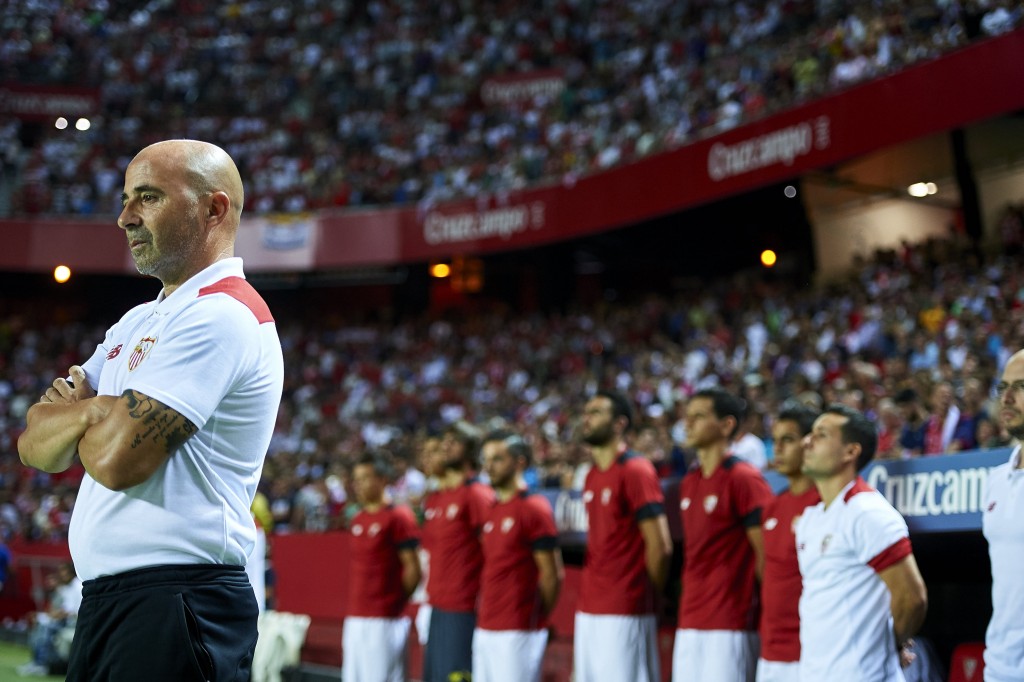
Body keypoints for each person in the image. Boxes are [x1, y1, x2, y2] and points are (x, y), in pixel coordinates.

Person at [18, 139, 284, 682]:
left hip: (178, 601)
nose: (124, 218)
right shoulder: (137, 321)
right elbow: (34, 445)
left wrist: (88, 412)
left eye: (148, 198)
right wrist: (102, 413)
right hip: (118, 602)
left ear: (214, 208)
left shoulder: (223, 315)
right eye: (125, 199)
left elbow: (118, 463)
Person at [796, 404, 928, 682]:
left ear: (850, 451)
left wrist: (886, 644)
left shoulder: (868, 511)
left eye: (820, 435)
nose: (806, 441)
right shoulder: (811, 517)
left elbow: (912, 599)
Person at [674, 387, 773, 682]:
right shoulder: (689, 482)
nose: (687, 424)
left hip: (730, 621)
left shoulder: (744, 478)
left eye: (699, 416)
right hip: (690, 619)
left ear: (727, 425)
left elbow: (767, 555)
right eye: (687, 417)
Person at [573, 390, 672, 682]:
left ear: (619, 424)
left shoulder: (636, 470)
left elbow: (661, 546)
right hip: (589, 606)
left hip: (625, 607)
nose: (586, 419)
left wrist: (641, 597)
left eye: (596, 413)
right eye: (586, 412)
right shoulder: (591, 475)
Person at [473, 429, 563, 682]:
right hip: (485, 626)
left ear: (520, 462)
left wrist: (533, 616)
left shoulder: (534, 508)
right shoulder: (491, 510)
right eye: (487, 460)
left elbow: (552, 574)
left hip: (518, 629)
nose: (489, 466)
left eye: (498, 459)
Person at [420, 421, 495, 682]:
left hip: (463, 606)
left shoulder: (477, 495)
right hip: (437, 604)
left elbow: (493, 551)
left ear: (471, 450)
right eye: (445, 441)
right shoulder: (439, 497)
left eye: (455, 441)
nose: (446, 445)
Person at [343, 453, 422, 682]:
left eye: (365, 478)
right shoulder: (357, 519)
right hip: (356, 616)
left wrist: (393, 603)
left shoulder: (398, 517)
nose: (358, 485)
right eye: (356, 479)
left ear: (383, 479)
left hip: (385, 620)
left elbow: (414, 569)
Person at [757, 404, 820, 682]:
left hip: (812, 651)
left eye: (788, 440)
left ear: (810, 444)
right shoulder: (773, 505)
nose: (778, 449)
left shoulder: (825, 503)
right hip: (770, 651)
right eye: (775, 441)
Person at [982, 349, 1024, 681]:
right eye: (1003, 387)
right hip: (998, 667)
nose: (1007, 398)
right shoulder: (995, 480)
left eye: (1021, 386)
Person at [18, 561, 83, 677]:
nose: (62, 574)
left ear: (71, 572)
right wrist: (46, 616)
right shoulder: (68, 587)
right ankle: (36, 662)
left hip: (75, 622)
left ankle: (42, 664)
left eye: (65, 571)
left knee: (45, 628)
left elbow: (69, 612)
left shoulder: (77, 586)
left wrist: (48, 617)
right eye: (61, 571)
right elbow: (63, 610)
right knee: (41, 626)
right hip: (67, 620)